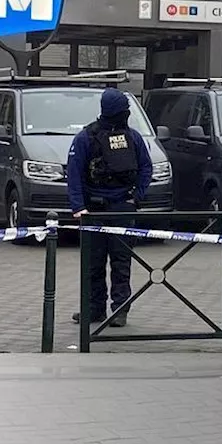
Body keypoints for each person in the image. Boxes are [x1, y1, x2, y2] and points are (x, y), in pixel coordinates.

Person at [66, 88, 152, 327]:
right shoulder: (86, 137)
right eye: (124, 109)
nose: (126, 113)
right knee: (93, 263)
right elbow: (74, 173)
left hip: (122, 208)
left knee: (121, 262)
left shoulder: (133, 137)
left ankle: (120, 310)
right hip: (93, 211)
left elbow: (146, 167)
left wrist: (136, 197)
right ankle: (94, 310)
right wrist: (78, 206)